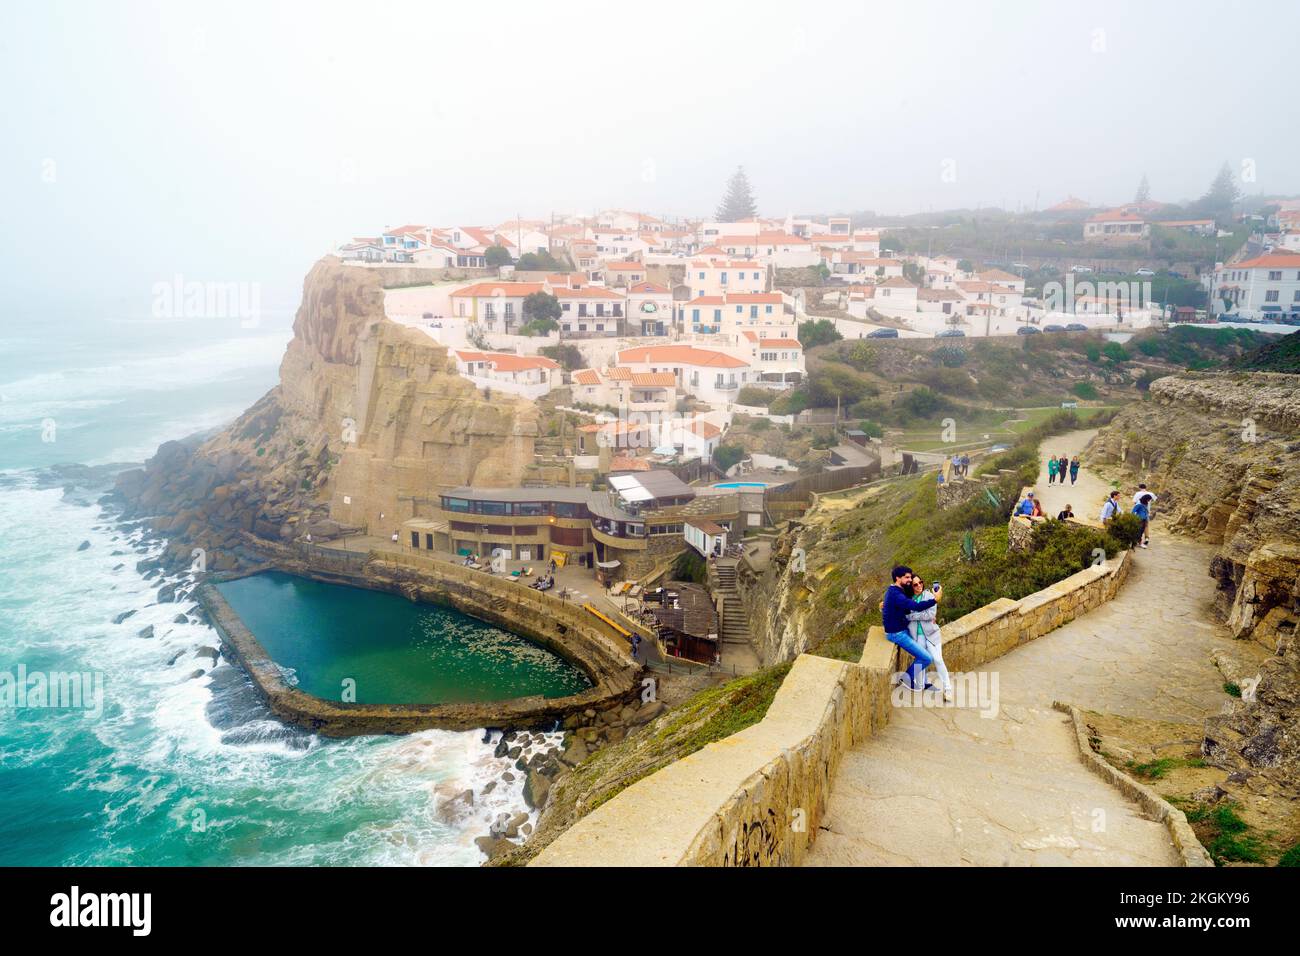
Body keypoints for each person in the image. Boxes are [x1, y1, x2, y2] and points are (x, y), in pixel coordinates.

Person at [882, 566, 938, 690]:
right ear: (898, 578)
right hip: (897, 633)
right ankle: (906, 678)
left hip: (901, 629)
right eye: (907, 577)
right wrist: (935, 600)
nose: (909, 580)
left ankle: (923, 683)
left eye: (910, 577)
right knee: (926, 658)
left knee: (922, 651)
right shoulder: (896, 594)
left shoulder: (896, 590)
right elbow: (915, 606)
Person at [907, 575, 952, 701]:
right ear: (911, 587)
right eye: (915, 584)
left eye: (920, 582)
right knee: (921, 659)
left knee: (938, 659)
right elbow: (904, 615)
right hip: (917, 635)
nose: (919, 585)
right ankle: (920, 684)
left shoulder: (930, 596)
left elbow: (931, 614)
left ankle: (947, 689)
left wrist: (913, 615)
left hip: (932, 634)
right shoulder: (909, 600)